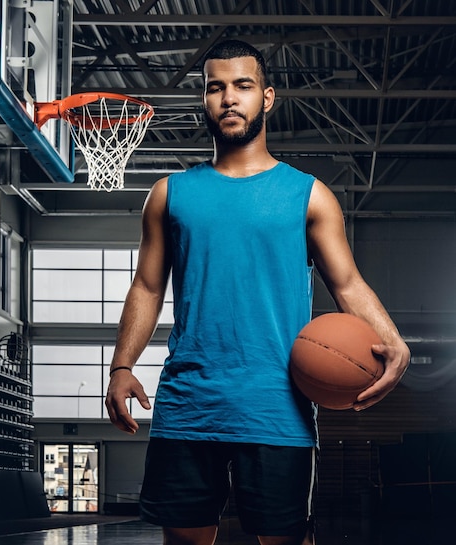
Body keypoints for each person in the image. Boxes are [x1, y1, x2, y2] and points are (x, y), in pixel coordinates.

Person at [105, 39, 410, 545]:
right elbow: (147, 286)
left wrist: (393, 342)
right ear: (204, 99)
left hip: (276, 407)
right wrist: (121, 367)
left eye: (242, 86)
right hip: (188, 405)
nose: (229, 98)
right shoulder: (169, 193)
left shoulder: (308, 194)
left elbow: (348, 284)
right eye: (216, 87)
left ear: (266, 98)